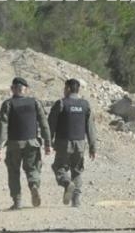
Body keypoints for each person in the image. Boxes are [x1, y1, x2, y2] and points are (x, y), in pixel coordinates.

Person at [0, 77, 52, 210]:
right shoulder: (35, 102)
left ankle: (17, 201)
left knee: (13, 172)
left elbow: (2, 126)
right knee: (32, 169)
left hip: (14, 144)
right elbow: (44, 124)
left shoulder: (8, 104)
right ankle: (34, 186)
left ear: (12, 89)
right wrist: (48, 143)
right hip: (32, 143)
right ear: (26, 89)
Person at [48, 78, 97, 207]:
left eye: (65, 88)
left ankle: (66, 183)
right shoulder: (85, 105)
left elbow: (51, 124)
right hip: (80, 144)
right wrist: (93, 147)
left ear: (68, 88)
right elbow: (90, 128)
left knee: (59, 167)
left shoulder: (61, 103)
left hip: (63, 143)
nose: (64, 91)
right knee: (77, 171)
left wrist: (48, 141)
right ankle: (76, 200)